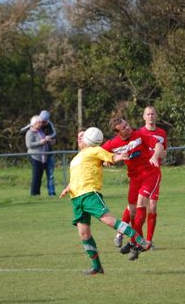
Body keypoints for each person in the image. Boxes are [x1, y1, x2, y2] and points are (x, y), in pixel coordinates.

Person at [60, 129, 149, 272]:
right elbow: (77, 176)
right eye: (78, 136)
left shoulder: (94, 150)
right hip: (76, 198)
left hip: (89, 193)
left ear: (90, 138)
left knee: (108, 220)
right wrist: (68, 187)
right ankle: (97, 267)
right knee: (84, 234)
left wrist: (120, 157)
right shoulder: (76, 158)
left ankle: (138, 239)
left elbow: (110, 157)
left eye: (82, 136)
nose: (79, 138)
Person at [101, 117, 165, 258]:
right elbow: (100, 154)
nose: (127, 128)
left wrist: (154, 156)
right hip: (134, 179)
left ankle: (137, 243)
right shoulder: (114, 143)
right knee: (132, 213)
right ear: (118, 133)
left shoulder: (139, 135)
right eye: (123, 128)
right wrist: (107, 160)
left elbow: (159, 145)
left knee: (142, 203)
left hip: (150, 173)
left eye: (127, 124)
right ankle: (135, 242)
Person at [114, 106, 168, 250]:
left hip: (153, 172)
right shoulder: (138, 133)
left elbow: (164, 152)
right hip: (138, 175)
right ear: (144, 117)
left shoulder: (162, 133)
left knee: (152, 206)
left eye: (152, 114)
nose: (150, 116)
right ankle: (125, 234)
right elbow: (120, 150)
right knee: (136, 206)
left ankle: (147, 241)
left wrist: (157, 154)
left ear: (156, 116)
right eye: (148, 114)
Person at [21, 110, 57, 195]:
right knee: (36, 176)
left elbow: (54, 137)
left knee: (46, 176)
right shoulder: (30, 132)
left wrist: (50, 140)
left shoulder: (48, 127)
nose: (41, 124)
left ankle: (50, 193)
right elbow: (29, 144)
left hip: (44, 156)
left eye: (43, 122)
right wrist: (41, 142)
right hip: (36, 157)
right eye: (39, 122)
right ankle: (34, 194)